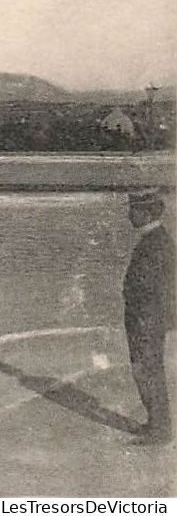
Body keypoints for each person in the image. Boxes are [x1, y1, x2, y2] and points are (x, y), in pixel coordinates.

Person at [123, 188, 173, 445]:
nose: (130, 214)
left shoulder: (152, 243)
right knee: (149, 369)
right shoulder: (158, 239)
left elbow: (146, 286)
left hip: (146, 320)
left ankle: (159, 428)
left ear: (146, 213)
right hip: (150, 319)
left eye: (134, 210)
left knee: (148, 369)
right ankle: (156, 423)